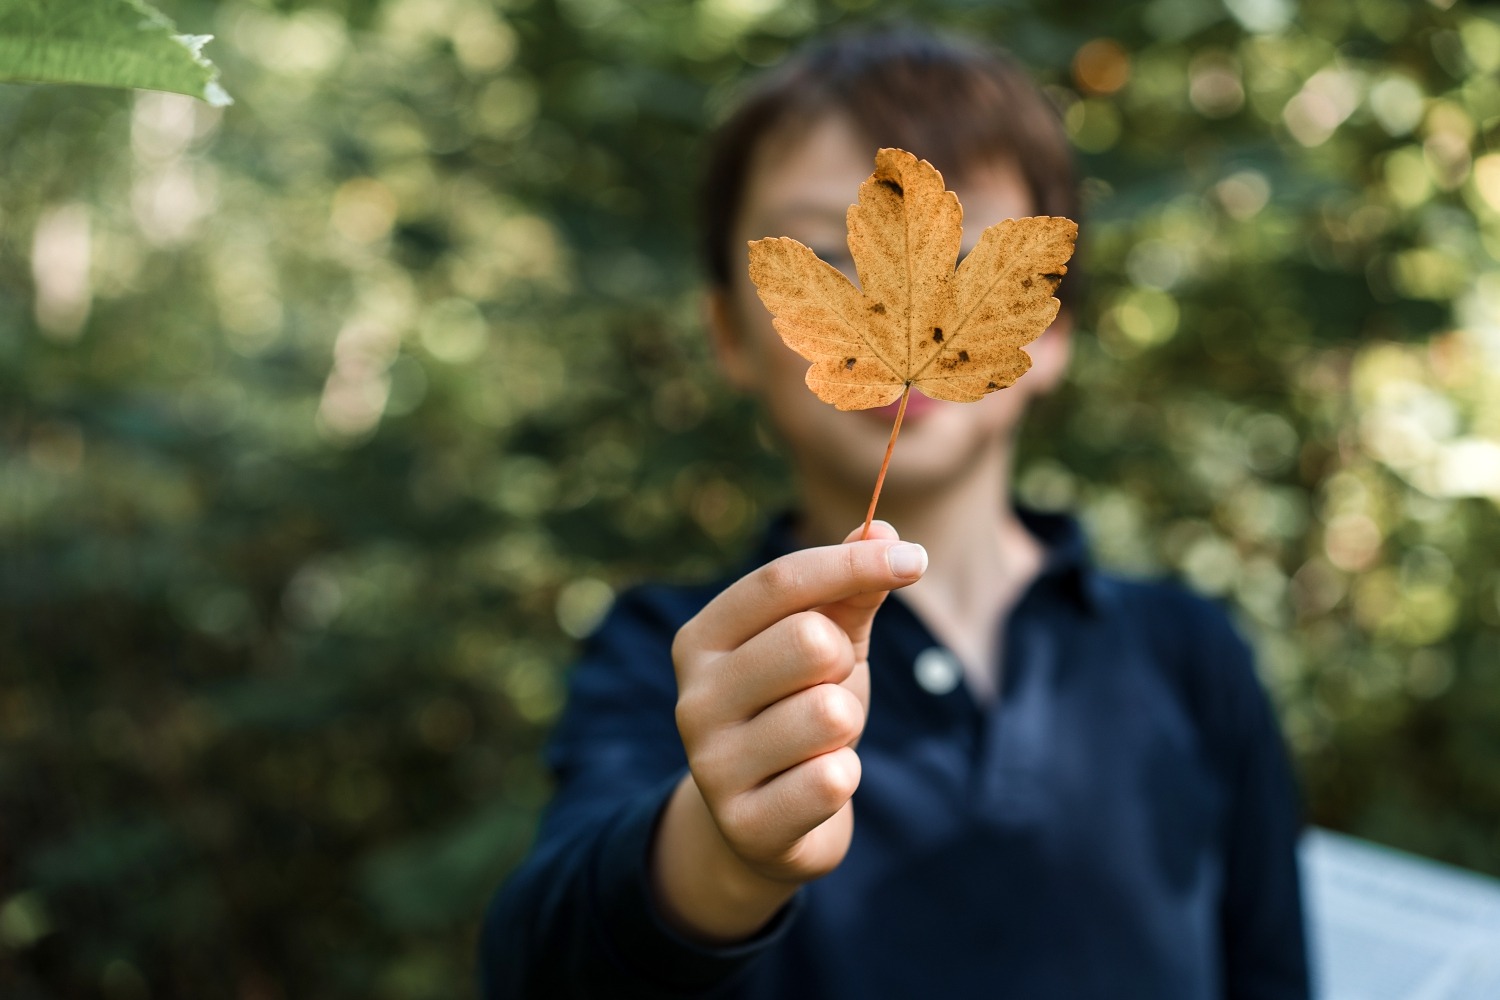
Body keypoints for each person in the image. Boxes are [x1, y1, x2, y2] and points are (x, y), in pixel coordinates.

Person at [480, 25, 1309, 1000]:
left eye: (972, 258)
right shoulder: (680, 653)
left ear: (1051, 331)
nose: (890, 301)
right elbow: (541, 965)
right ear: (731, 334)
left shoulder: (1189, 654)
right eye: (828, 255)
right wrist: (722, 858)